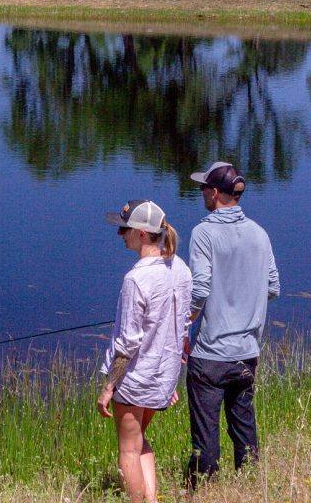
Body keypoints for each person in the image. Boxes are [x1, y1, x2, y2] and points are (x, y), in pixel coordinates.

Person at [185, 161, 280, 484]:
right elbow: (272, 286)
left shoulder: (204, 232)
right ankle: (249, 485)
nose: (201, 194)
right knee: (244, 426)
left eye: (202, 188)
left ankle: (205, 488)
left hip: (210, 355)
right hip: (247, 353)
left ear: (214, 193)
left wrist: (183, 323)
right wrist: (243, 302)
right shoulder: (259, 233)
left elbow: (199, 289)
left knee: (205, 434)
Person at [97, 199, 193, 503]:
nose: (120, 234)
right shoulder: (180, 268)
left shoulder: (136, 279)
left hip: (136, 380)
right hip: (163, 378)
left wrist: (108, 387)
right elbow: (183, 324)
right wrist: (173, 374)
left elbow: (127, 344)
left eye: (124, 229)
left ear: (140, 233)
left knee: (128, 451)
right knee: (140, 441)